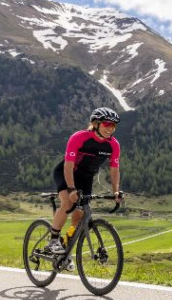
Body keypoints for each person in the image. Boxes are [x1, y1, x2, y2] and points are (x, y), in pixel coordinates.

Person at [46, 107, 124, 254]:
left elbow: (114, 170)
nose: (110, 129)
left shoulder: (114, 145)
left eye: (113, 126)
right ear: (95, 124)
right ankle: (53, 240)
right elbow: (68, 166)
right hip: (66, 173)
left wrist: (115, 191)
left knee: (80, 215)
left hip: (86, 177)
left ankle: (66, 246)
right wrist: (71, 189)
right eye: (107, 124)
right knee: (68, 204)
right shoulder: (79, 137)